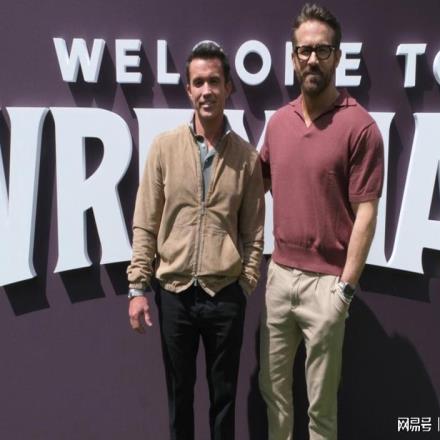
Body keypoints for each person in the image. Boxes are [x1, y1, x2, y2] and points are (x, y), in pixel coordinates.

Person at [126, 41, 265, 440]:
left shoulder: (247, 159)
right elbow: (146, 222)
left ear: (228, 88)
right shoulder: (164, 147)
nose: (207, 91)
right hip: (175, 294)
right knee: (179, 396)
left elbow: (253, 232)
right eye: (199, 82)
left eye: (214, 82)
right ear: (188, 89)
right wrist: (137, 287)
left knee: (224, 400)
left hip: (225, 296)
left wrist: (245, 283)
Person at [259, 4, 384, 439]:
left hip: (327, 285)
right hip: (278, 279)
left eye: (322, 50)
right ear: (293, 57)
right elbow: (255, 187)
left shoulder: (360, 127)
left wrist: (344, 291)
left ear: (337, 56)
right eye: (304, 50)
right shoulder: (278, 123)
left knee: (321, 409)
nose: (313, 59)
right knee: (273, 395)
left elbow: (367, 212)